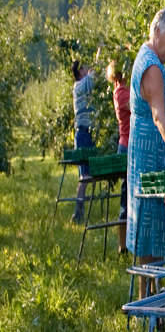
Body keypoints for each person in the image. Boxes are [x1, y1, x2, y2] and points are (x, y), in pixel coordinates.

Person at [126, 8, 165, 298]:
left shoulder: (152, 61)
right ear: (156, 32)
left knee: (151, 232)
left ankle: (152, 299)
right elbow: (158, 116)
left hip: (149, 153)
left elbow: (158, 91)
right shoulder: (151, 66)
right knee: (152, 231)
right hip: (154, 156)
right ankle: (151, 302)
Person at [107, 60, 132, 253]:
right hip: (127, 147)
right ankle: (123, 244)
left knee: (127, 194)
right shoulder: (122, 92)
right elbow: (139, 107)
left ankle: (125, 244)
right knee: (126, 196)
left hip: (126, 144)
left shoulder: (119, 90)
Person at [70, 59, 97, 224]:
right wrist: (100, 52)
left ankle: (80, 211)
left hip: (85, 133)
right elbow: (94, 76)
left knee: (86, 175)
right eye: (85, 68)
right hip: (83, 134)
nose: (88, 69)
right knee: (85, 176)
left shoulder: (81, 86)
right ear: (80, 72)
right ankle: (78, 212)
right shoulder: (80, 86)